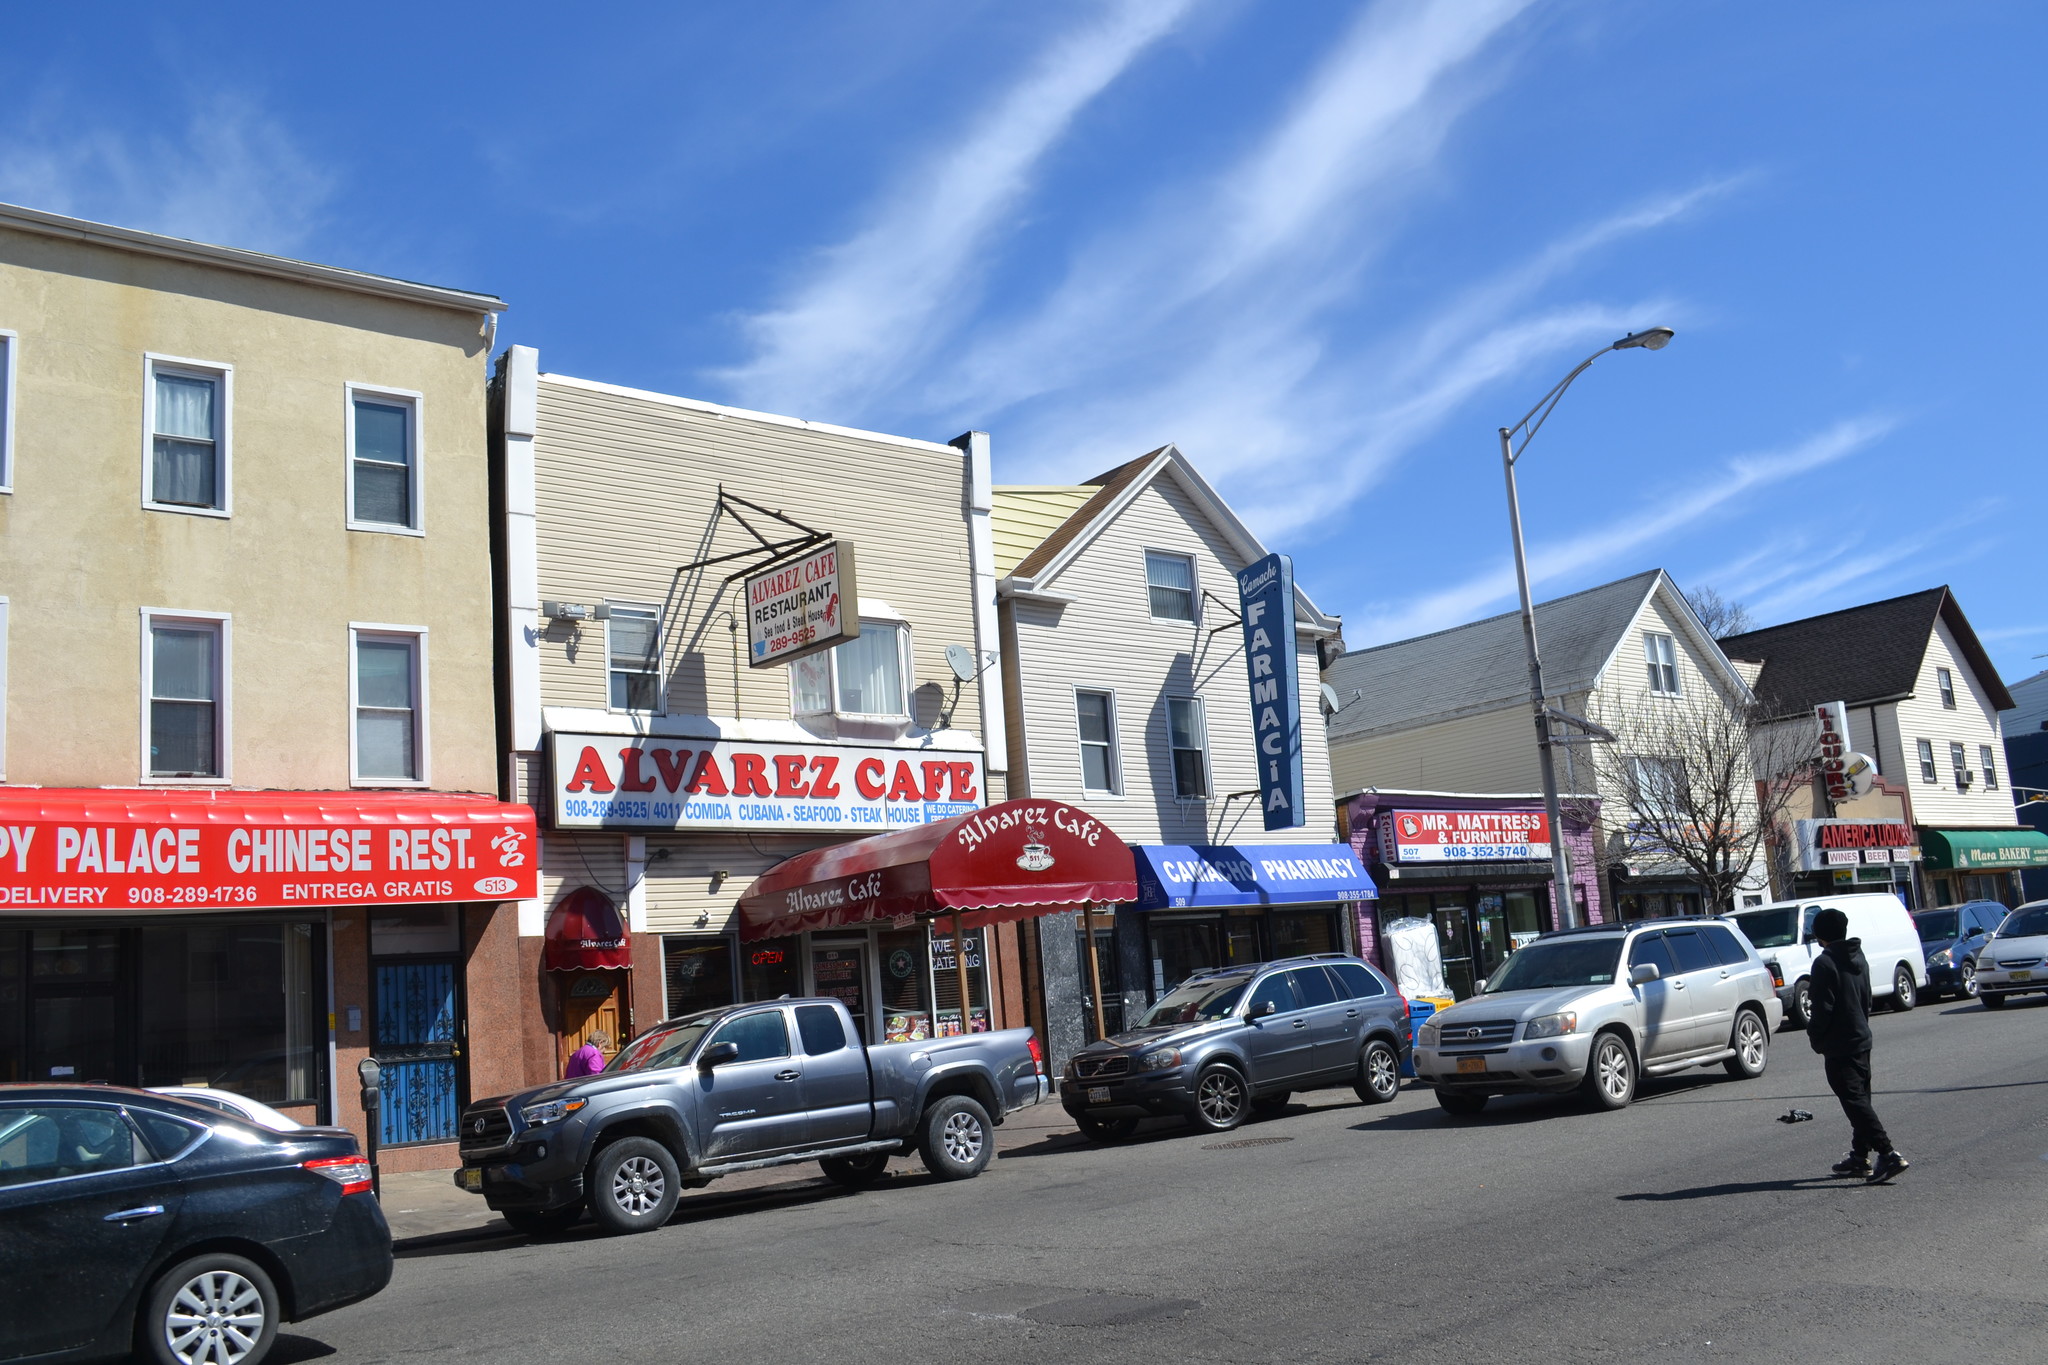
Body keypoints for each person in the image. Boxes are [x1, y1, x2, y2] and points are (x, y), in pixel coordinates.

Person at [1806, 908, 1908, 1183]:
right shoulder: (1857, 955)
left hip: (1839, 1043)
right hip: (1861, 1035)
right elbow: (1867, 996)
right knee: (1860, 1097)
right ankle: (1860, 1157)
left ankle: (1887, 1153)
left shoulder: (1824, 963)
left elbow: (1822, 1008)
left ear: (1820, 934)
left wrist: (1816, 1037)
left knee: (1854, 1101)